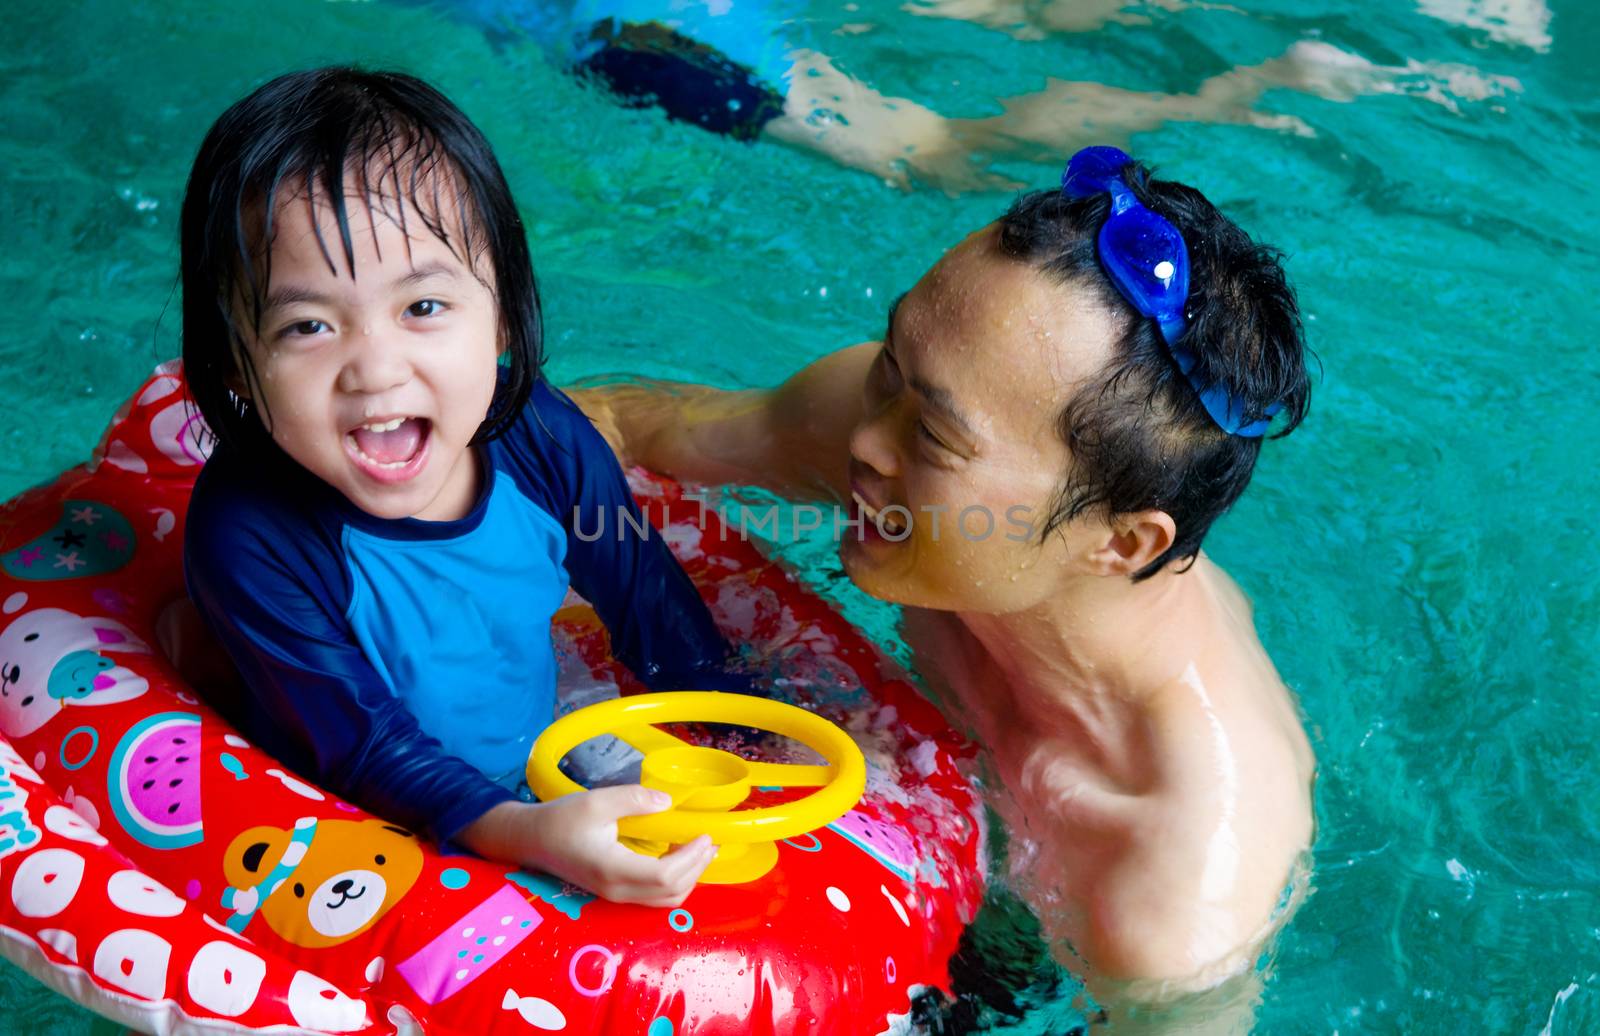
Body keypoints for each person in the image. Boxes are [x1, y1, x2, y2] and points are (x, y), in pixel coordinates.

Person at [574, 146, 1316, 1018]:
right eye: (893, 361)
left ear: (1119, 544)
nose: (864, 440)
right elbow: (608, 430)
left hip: (1020, 937)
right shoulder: (884, 422)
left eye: (934, 438)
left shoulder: (1167, 899)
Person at [179, 67, 739, 907]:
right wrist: (517, 829)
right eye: (307, 326)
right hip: (353, 816)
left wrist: (742, 735)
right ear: (236, 368)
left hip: (531, 749)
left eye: (424, 308)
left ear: (503, 316)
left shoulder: (542, 437)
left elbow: (646, 599)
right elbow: (356, 742)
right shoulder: (250, 533)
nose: (374, 368)